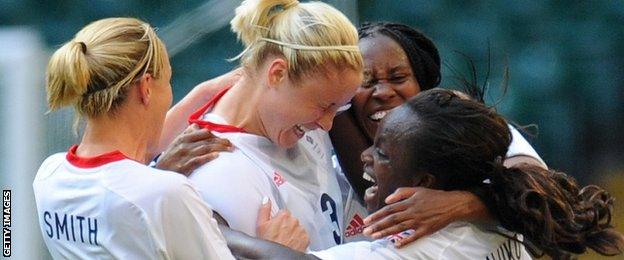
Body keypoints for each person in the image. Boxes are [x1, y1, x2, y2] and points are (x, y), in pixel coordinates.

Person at [222, 88, 624, 259]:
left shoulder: (422, 248)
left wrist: (216, 228)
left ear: (426, 182)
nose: (366, 156)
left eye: (382, 153)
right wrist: (472, 201)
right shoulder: (503, 193)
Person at [329, 21, 548, 244]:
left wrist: (459, 203)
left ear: (422, 85)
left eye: (398, 78)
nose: (384, 92)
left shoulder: (467, 135)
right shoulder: (330, 174)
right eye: (366, 81)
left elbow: (540, 192)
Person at [34, 17, 232, 259]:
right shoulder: (166, 193)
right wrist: (274, 243)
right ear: (146, 87)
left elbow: (119, 189)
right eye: (168, 81)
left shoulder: (47, 176)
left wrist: (204, 93)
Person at [186, 0, 363, 250]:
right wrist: (275, 256)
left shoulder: (298, 116)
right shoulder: (218, 171)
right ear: (277, 74)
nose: (327, 125)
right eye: (324, 106)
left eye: (339, 108)